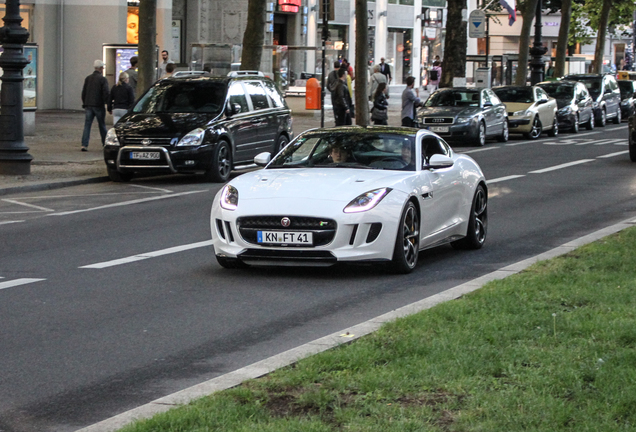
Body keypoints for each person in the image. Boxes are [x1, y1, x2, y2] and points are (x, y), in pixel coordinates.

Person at [80, 60, 110, 151]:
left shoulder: (88, 78)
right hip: (98, 105)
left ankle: (84, 145)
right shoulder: (103, 79)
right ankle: (105, 143)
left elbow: (84, 92)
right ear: (101, 68)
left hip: (88, 104)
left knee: (87, 125)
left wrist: (85, 102)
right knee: (102, 125)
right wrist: (108, 103)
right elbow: (106, 92)